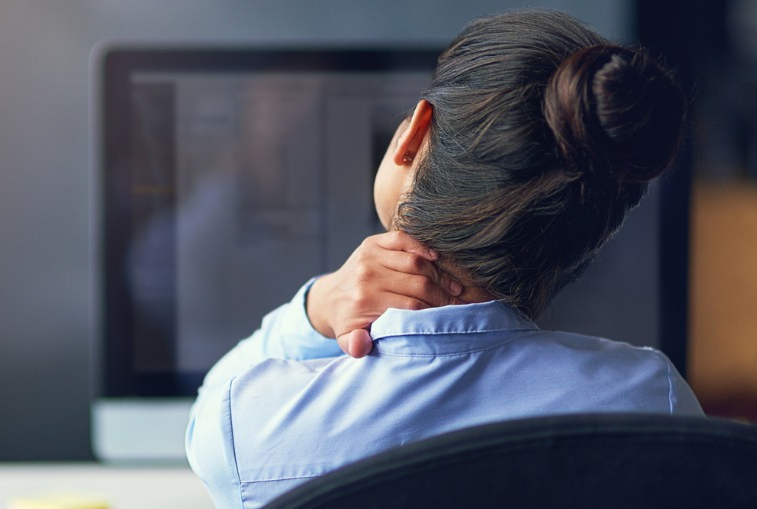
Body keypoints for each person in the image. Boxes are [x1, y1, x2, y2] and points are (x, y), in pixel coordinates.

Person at [186, 9, 703, 509]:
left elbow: (211, 404)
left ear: (415, 134)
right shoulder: (654, 402)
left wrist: (314, 309)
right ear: (595, 232)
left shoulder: (251, 428)